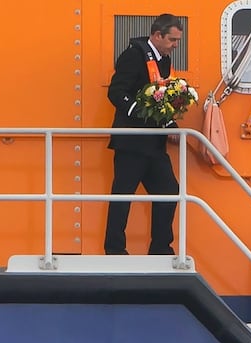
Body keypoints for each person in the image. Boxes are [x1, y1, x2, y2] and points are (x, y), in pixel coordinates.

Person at [104, 13, 184, 256]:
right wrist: (142, 113)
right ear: (157, 35)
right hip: (131, 142)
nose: (175, 45)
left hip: (153, 145)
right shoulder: (133, 55)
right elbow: (117, 92)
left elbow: (160, 99)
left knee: (169, 190)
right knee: (122, 196)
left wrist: (169, 123)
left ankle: (161, 248)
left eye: (178, 40)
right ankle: (115, 250)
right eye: (172, 39)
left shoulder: (164, 61)